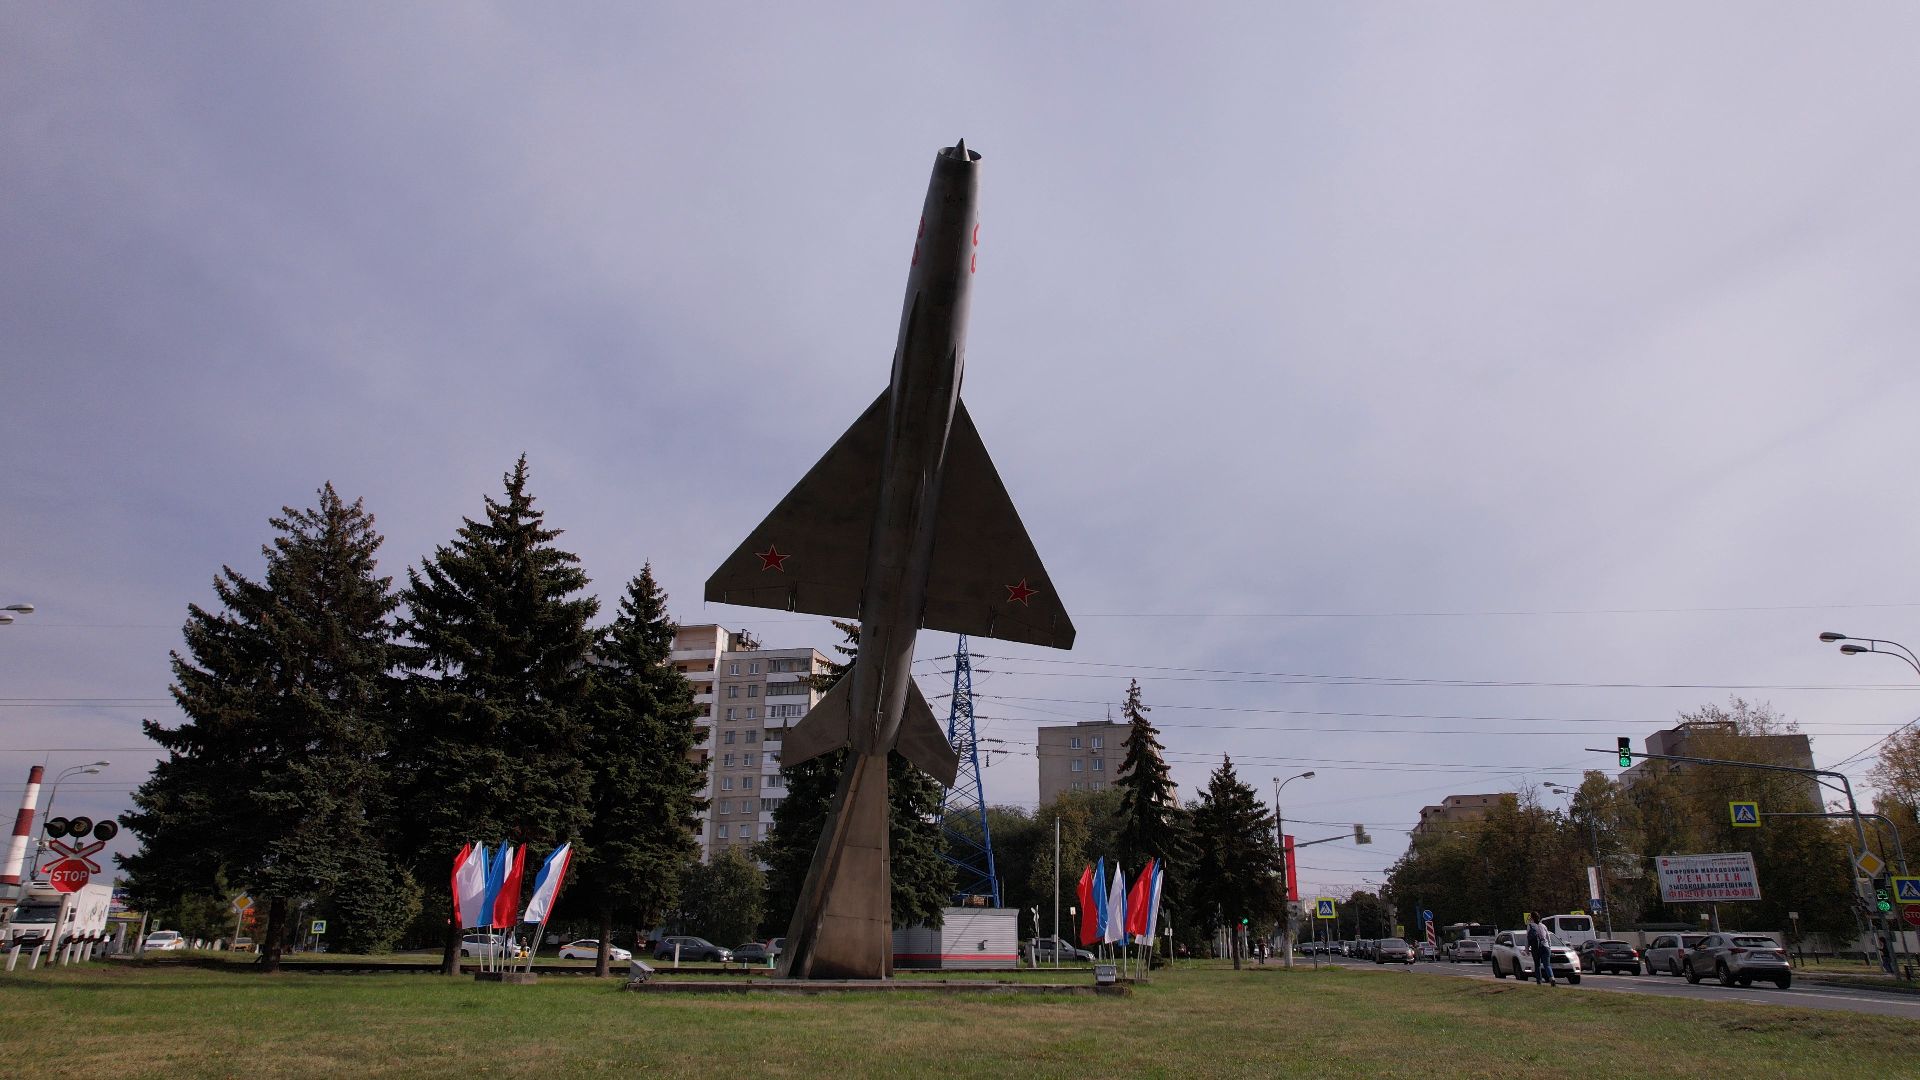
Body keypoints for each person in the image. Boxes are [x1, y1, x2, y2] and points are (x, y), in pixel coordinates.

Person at [1527, 916, 1555, 985]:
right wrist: (1549, 947)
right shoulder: (1543, 926)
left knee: (1537, 965)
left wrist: (1526, 949)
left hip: (1535, 948)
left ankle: (1539, 981)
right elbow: (1548, 938)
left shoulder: (1530, 926)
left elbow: (1527, 938)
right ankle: (1552, 978)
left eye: (1530, 918)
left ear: (1532, 919)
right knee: (1547, 965)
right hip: (1545, 947)